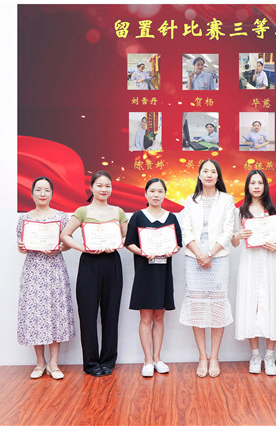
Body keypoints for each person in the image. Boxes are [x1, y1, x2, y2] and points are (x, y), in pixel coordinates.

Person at [61, 171, 128, 377]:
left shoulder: (118, 211)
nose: (103, 189)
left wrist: (117, 244)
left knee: (111, 314)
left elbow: (128, 236)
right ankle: (90, 363)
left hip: (112, 263)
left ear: (111, 188)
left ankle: (108, 361)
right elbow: (65, 235)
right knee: (88, 315)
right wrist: (84, 248)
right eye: (99, 185)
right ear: (91, 187)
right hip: (89, 263)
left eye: (107, 186)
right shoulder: (82, 211)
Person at [179, 159, 235, 378]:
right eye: (205, 171)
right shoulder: (190, 200)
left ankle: (215, 357)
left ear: (218, 176)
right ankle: (202, 357)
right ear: (199, 175)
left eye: (213, 171)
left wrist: (209, 254)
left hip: (218, 259)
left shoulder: (227, 199)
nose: (209, 175)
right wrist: (199, 255)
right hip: (194, 259)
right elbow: (186, 231)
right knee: (197, 307)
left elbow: (228, 231)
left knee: (218, 306)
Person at [16, 176, 75, 380]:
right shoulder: (24, 218)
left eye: (47, 190)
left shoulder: (61, 217)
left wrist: (59, 247)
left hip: (54, 270)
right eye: (38, 190)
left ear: (52, 193)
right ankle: (40, 362)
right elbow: (21, 247)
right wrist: (22, 247)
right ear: (32, 193)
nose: (42, 194)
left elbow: (68, 244)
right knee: (35, 315)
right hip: (33, 270)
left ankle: (54, 363)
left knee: (55, 312)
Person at [231, 170, 276, 376]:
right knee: (251, 306)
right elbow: (233, 242)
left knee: (271, 304)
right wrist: (238, 235)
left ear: (265, 186)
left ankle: (270, 356)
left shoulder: (272, 212)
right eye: (253, 182)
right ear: (247, 186)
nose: (256, 186)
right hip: (249, 263)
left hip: (269, 262)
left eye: (260, 183)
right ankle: (255, 355)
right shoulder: (240, 212)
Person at [125, 178, 182, 377]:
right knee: (145, 317)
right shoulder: (138, 217)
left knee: (159, 317)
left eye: (160, 191)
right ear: (146, 194)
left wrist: (171, 250)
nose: (156, 195)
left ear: (164, 194)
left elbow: (178, 243)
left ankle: (158, 359)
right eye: (152, 191)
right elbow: (129, 243)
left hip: (163, 274)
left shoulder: (171, 217)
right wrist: (143, 252)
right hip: (144, 273)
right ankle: (147, 360)